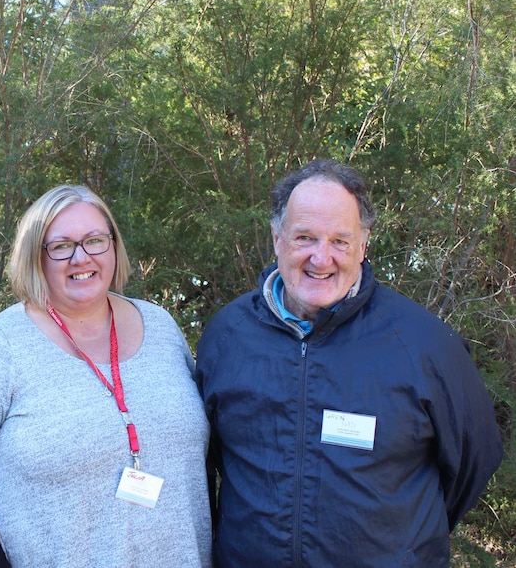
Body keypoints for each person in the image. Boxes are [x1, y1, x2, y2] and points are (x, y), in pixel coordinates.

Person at [195, 159, 503, 567]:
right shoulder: (226, 336)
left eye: (340, 241)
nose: (321, 259)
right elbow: (212, 458)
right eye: (305, 237)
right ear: (277, 238)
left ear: (363, 245)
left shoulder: (425, 345)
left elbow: (471, 462)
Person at [0, 184, 212, 567]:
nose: (81, 257)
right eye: (61, 246)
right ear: (35, 257)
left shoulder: (160, 327)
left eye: (95, 240)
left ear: (113, 246)